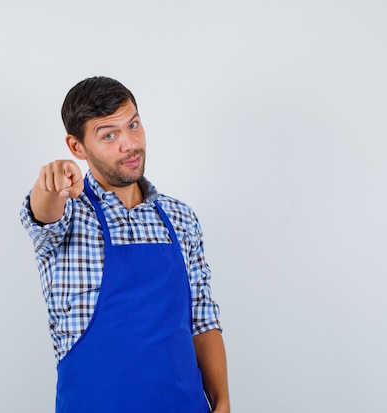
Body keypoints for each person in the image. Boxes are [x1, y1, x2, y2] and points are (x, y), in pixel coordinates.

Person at [20, 76, 230, 413]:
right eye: (109, 135)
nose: (130, 144)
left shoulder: (180, 218)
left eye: (133, 125)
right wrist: (52, 179)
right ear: (76, 147)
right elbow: (42, 214)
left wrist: (222, 403)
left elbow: (202, 319)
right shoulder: (69, 213)